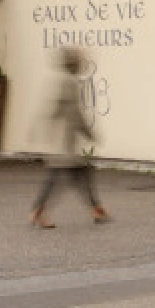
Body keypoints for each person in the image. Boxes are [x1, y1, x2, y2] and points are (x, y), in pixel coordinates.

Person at [29, 47, 109, 228]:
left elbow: (49, 109)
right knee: (77, 175)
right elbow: (76, 113)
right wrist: (90, 134)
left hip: (58, 140)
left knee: (68, 176)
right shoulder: (70, 83)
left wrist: (38, 130)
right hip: (65, 141)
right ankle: (95, 209)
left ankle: (95, 208)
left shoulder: (55, 80)